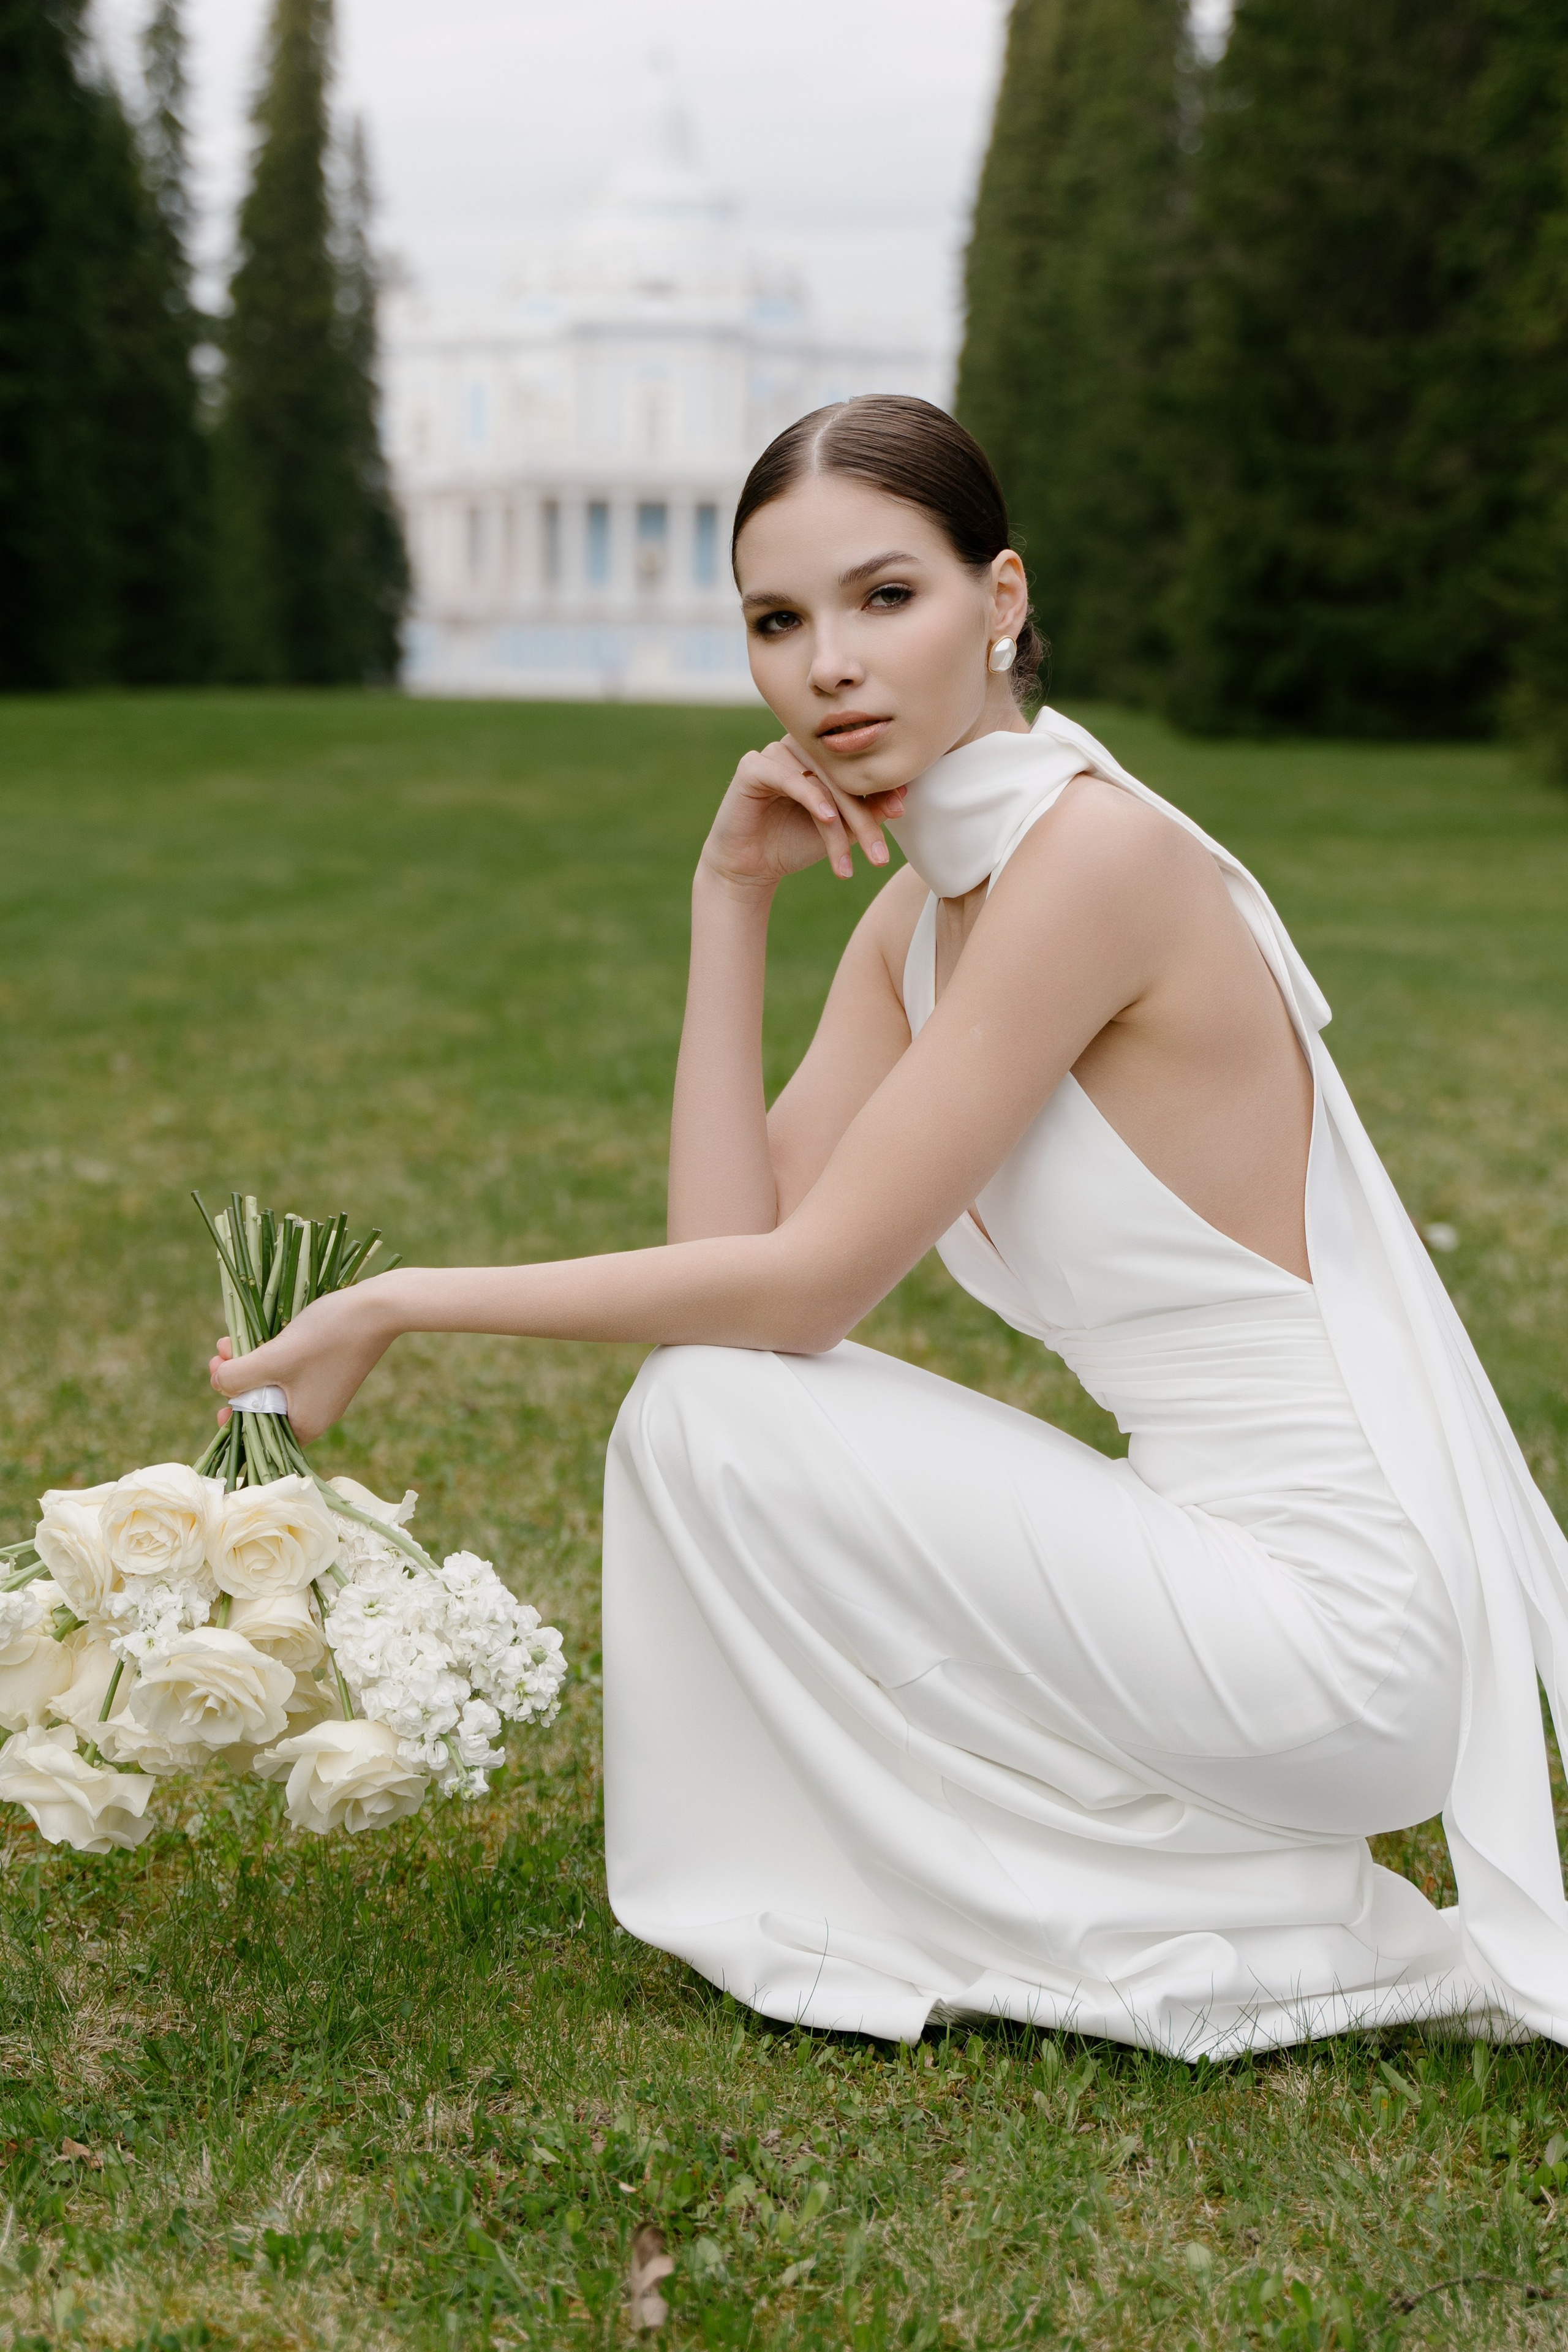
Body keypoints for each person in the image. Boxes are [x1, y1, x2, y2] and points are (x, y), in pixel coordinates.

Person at [213, 395, 1568, 2057]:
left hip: (1345, 1636)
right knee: (704, 1413)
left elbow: (799, 1295)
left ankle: (1138, 1892)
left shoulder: (1098, 862)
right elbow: (735, 1262)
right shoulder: (926, 922)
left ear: (1000, 601)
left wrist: (403, 1301)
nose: (827, 665)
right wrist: (734, 902)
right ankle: (1166, 1883)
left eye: (884, 599)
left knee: (711, 1405)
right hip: (1224, 1576)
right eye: (779, 623)